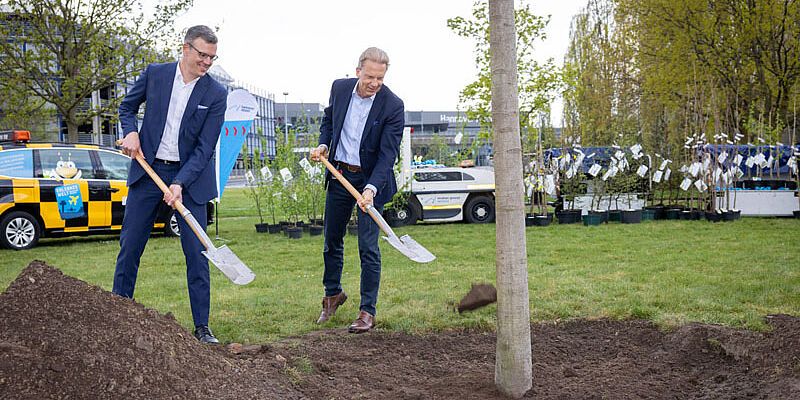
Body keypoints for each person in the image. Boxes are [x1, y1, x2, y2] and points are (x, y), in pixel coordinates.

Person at [112, 25, 227, 344]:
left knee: (197, 254)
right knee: (130, 246)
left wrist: (179, 183)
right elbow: (127, 107)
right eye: (203, 55)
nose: (207, 63)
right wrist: (131, 131)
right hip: (149, 172)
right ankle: (118, 313)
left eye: (212, 58)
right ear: (186, 49)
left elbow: (205, 148)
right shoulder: (156, 74)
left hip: (191, 181)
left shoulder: (216, 94)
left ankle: (202, 327)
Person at [309, 47, 404, 333]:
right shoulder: (339, 89)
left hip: (371, 181)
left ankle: (367, 311)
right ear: (358, 71)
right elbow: (329, 120)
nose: (374, 83)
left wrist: (372, 189)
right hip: (339, 174)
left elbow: (388, 156)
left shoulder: (392, 105)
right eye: (370, 76)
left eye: (380, 78)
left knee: (367, 247)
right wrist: (324, 143)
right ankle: (333, 294)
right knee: (331, 241)